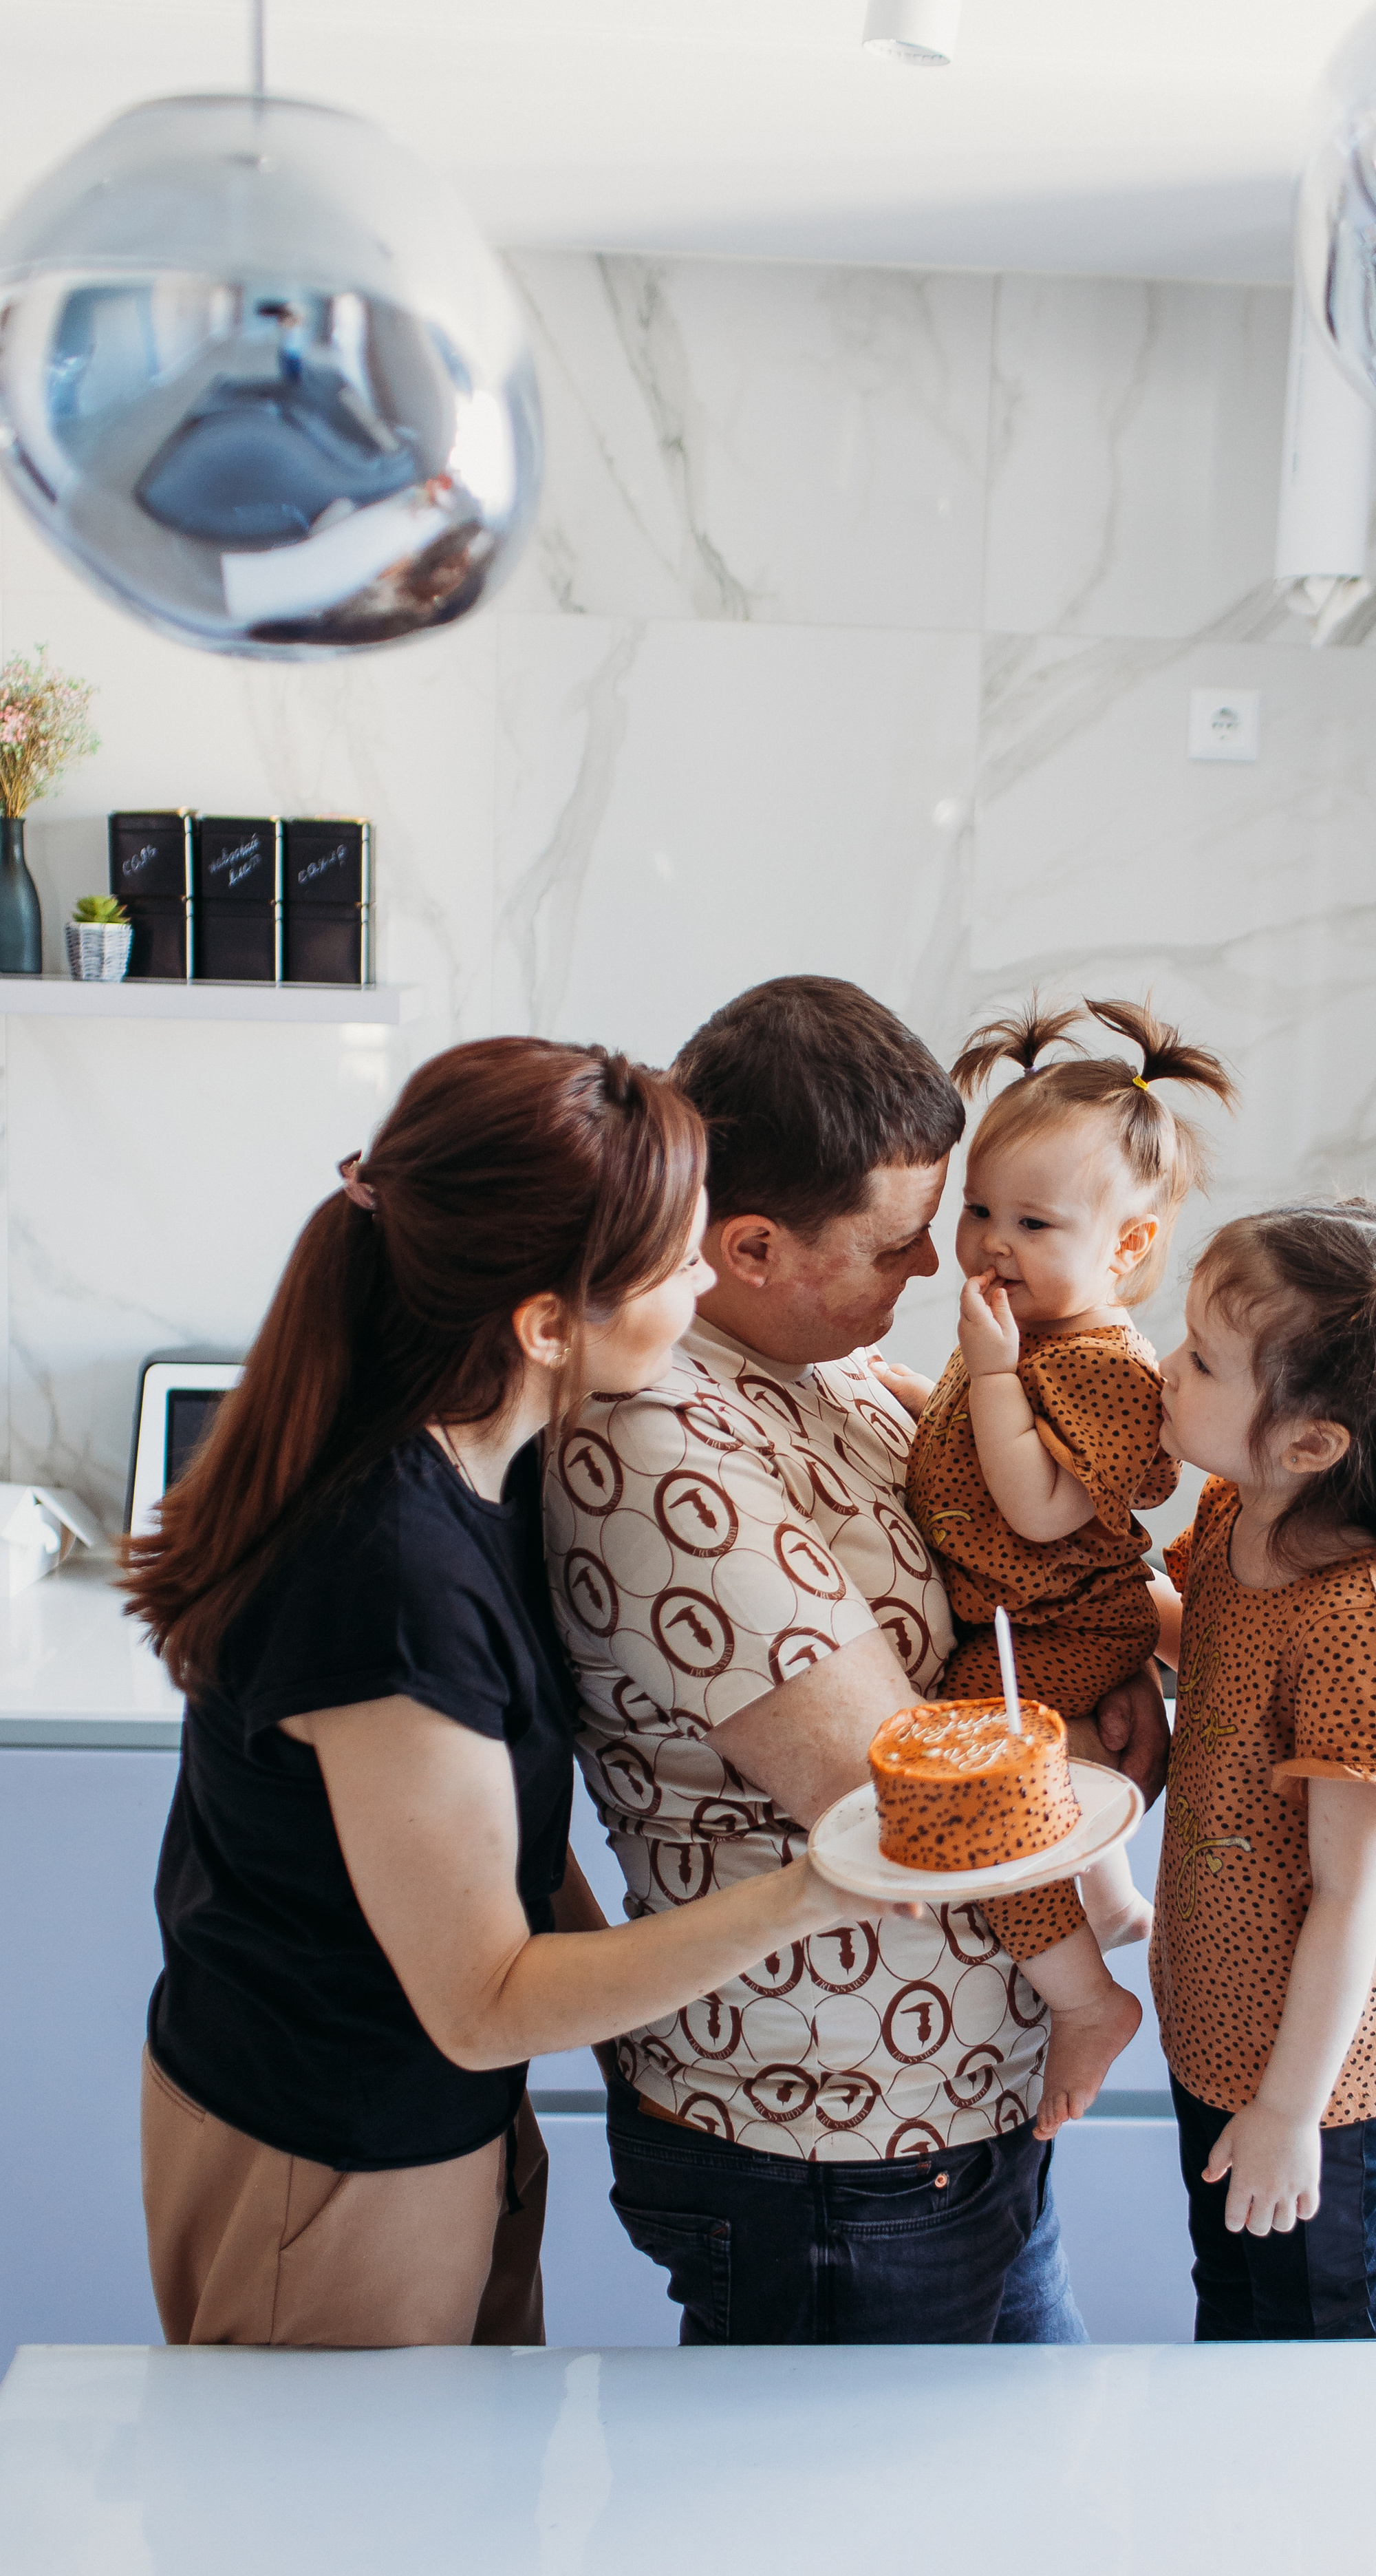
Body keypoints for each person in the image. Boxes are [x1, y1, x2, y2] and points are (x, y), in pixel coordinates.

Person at [122, 1035, 898, 2352]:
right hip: (332, 2152)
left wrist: (635, 2057)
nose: (706, 1280)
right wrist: (823, 1883)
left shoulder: (496, 1470)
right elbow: (484, 2002)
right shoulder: (389, 1575)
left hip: (432, 2117)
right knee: (354, 2545)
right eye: (672, 1263)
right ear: (547, 1323)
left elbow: (509, 1861)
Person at [544, 975, 1170, 2345]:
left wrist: (1111, 1653)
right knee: (845, 2552)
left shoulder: (823, 1364)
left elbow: (1005, 1586)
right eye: (897, 1244)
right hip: (831, 2145)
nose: (938, 1271)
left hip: (943, 2118)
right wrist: (1066, 1751)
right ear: (755, 1246)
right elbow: (921, 1808)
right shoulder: (663, 1448)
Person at [1150, 1197, 1376, 2341]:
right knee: (1231, 2308)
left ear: (1312, 1443)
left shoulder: (1353, 1621)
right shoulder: (1231, 1515)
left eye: (1205, 1362)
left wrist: (1286, 2110)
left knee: (1311, 2336)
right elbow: (1201, 1644)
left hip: (1308, 2078)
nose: (1168, 1370)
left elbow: (1354, 1894)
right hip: (1214, 2033)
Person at [872, 997, 1236, 2140]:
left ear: (1127, 1250)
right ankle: (1114, 1900)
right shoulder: (1027, 1343)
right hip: (1041, 1625)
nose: (990, 1243)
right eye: (981, 1210)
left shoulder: (1102, 1368)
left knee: (982, 1802)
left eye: (1034, 1223)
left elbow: (1035, 1512)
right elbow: (991, 1462)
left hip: (1063, 1631)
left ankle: (1086, 2002)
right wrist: (926, 1397)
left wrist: (979, 1380)